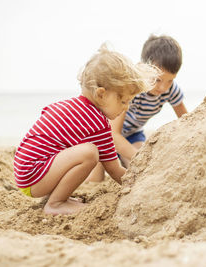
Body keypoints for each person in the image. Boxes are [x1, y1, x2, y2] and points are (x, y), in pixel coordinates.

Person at [13, 44, 159, 215]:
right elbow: (114, 170)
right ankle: (56, 203)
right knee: (89, 153)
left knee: (78, 150)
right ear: (101, 94)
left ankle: (59, 197)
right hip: (34, 178)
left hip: (25, 173)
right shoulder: (98, 123)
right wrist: (141, 182)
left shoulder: (69, 106)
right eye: (124, 101)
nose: (126, 108)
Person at [87, 34, 188, 182]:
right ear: (143, 67)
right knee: (96, 176)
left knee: (138, 172)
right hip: (103, 136)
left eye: (170, 80)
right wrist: (139, 159)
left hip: (133, 134)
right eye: (157, 79)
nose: (163, 87)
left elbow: (187, 122)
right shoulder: (131, 88)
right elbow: (113, 135)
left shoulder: (171, 90)